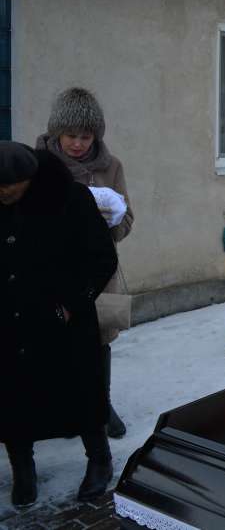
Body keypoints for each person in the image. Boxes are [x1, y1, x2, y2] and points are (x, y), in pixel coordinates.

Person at [1, 142, 119, 506]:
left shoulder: (71, 199)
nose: (2, 192)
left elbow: (102, 258)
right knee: (12, 398)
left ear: (30, 178)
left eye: (9, 185)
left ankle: (99, 460)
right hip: (10, 321)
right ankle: (23, 469)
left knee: (80, 393)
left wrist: (72, 304)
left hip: (62, 320)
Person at [36, 87, 133, 439]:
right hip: (52, 270)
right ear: (57, 132)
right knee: (56, 340)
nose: (78, 144)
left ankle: (102, 405)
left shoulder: (111, 167)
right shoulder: (39, 166)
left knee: (99, 341)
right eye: (71, 135)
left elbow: (127, 221)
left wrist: (113, 219)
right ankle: (63, 409)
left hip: (98, 272)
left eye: (86, 136)